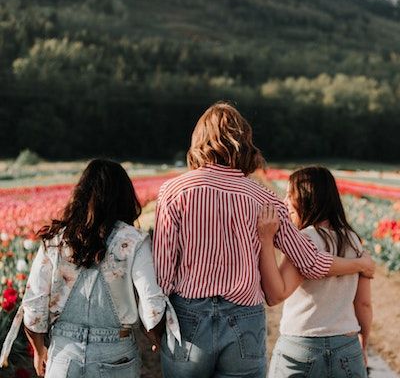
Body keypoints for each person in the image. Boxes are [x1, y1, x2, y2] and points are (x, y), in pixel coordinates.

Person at [153, 102, 374, 378]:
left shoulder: (173, 192)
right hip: (244, 319)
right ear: (243, 142)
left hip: (188, 319)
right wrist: (359, 265)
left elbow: (163, 274)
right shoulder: (264, 199)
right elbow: (312, 263)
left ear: (199, 141)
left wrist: (156, 327)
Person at [0, 159, 180, 377]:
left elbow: (34, 308)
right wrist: (156, 337)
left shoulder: (56, 240)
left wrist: (39, 351)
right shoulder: (133, 241)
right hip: (116, 355)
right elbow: (152, 307)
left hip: (64, 356)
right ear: (124, 196)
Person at [258, 166, 372, 378]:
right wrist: (363, 345)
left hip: (301, 346)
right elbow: (363, 304)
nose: (285, 203)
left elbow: (276, 294)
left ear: (306, 199)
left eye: (290, 196)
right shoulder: (354, 241)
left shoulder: (304, 240)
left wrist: (265, 240)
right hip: (346, 345)